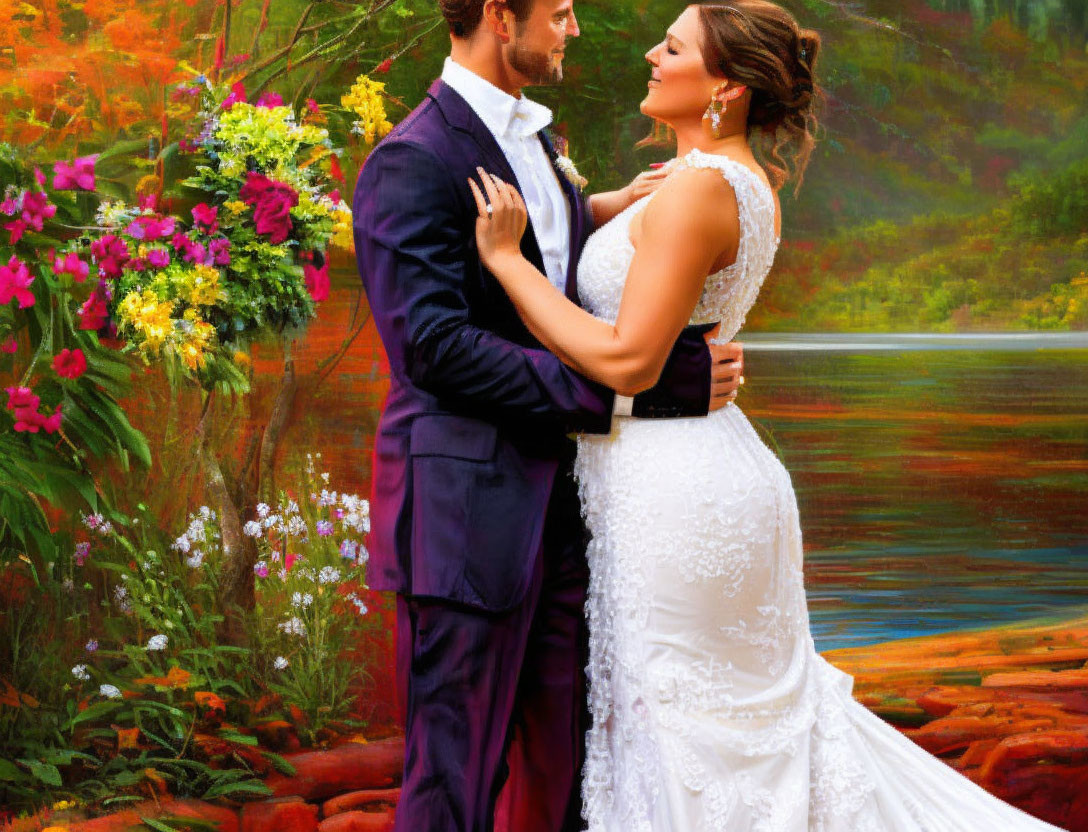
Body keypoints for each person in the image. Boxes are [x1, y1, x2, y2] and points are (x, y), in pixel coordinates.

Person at [470, 2, 1067, 829]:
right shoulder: (720, 184)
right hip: (692, 473)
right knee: (714, 735)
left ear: (724, 85)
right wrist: (599, 209)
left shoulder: (700, 192)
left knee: (691, 737)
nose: (651, 52)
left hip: (675, 494)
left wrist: (508, 265)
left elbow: (626, 360)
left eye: (672, 46)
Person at [351, 1, 748, 830]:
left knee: (564, 782)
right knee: (450, 785)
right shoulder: (410, 161)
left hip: (571, 511)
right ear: (501, 14)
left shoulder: (537, 142)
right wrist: (640, 389)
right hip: (464, 517)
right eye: (559, 13)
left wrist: (601, 208)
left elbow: (544, 265)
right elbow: (433, 348)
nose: (573, 29)